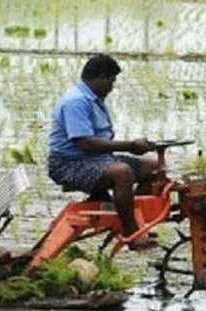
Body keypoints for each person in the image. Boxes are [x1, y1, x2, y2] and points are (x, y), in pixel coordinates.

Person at [47, 54, 160, 250]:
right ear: (99, 77)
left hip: (95, 159)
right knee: (122, 173)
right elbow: (85, 143)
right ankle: (131, 232)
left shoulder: (94, 99)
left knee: (153, 167)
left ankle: (130, 217)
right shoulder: (76, 102)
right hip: (68, 164)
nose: (112, 86)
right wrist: (131, 145)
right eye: (111, 80)